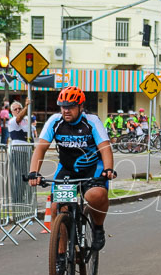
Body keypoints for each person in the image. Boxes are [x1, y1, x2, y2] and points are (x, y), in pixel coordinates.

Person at [28, 86, 116, 259]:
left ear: (80, 107)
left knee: (95, 195)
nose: (66, 110)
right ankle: (60, 254)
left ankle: (98, 227)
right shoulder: (55, 121)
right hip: (67, 169)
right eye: (63, 106)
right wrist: (33, 173)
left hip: (93, 168)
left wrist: (108, 169)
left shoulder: (91, 121)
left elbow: (105, 148)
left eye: (70, 106)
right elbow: (41, 149)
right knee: (57, 207)